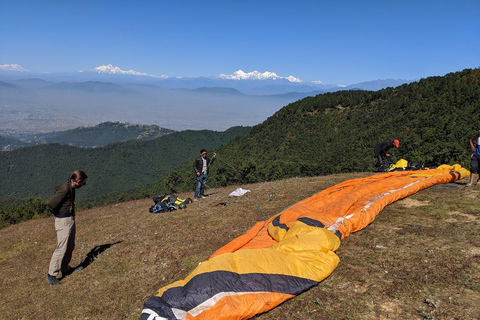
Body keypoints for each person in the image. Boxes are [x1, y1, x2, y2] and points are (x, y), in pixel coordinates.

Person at [46, 170, 88, 286]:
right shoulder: (65, 188)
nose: (83, 185)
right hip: (63, 221)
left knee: (70, 245)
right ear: (78, 181)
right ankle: (51, 274)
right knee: (62, 248)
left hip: (69, 219)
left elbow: (56, 188)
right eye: (83, 183)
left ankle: (65, 268)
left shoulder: (70, 186)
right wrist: (59, 213)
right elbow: (51, 204)